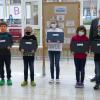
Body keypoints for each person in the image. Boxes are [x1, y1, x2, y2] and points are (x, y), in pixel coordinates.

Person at [89, 9, 100, 90]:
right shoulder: (94, 21)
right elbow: (91, 33)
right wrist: (90, 45)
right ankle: (97, 79)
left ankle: (97, 79)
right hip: (96, 45)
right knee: (96, 63)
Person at [0, 21, 13, 86]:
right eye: (1, 26)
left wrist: (9, 46)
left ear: (6, 27)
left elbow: (11, 42)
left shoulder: (9, 35)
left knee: (8, 67)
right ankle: (2, 79)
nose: (3, 27)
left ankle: (9, 79)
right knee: (1, 67)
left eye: (4, 26)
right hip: (0, 54)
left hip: (7, 54)